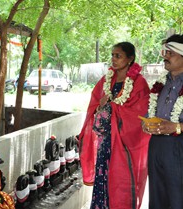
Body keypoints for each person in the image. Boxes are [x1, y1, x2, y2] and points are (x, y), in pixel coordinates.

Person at [78, 42, 151, 208]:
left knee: (120, 183)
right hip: (105, 144)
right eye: (112, 55)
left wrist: (114, 108)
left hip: (124, 146)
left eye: (118, 56)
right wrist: (101, 106)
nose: (113, 59)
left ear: (130, 59)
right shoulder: (106, 80)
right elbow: (94, 108)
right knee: (103, 180)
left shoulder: (139, 83)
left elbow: (140, 113)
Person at [143, 34, 183, 209]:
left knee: (177, 198)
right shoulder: (162, 84)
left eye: (170, 53)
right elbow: (150, 112)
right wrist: (146, 123)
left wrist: (178, 127)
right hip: (157, 148)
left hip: (179, 148)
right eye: (165, 51)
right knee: (157, 197)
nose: (164, 56)